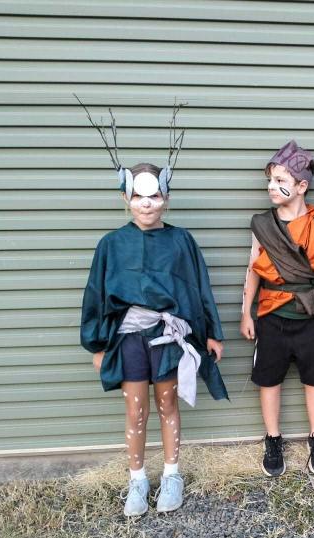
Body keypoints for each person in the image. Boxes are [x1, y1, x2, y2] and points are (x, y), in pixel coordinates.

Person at [79, 101, 227, 516]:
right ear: (126, 198)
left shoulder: (181, 241)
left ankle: (172, 475)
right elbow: (95, 295)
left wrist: (212, 333)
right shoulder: (111, 244)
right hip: (128, 338)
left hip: (168, 337)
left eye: (154, 195)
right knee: (135, 408)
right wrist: (97, 344)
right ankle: (137, 481)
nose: (146, 204)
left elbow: (199, 288)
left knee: (167, 403)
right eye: (138, 197)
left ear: (166, 198)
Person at [240, 140, 314, 477]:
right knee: (268, 379)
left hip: (311, 315)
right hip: (271, 314)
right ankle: (273, 439)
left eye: (280, 181)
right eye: (270, 180)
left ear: (301, 186)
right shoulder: (263, 225)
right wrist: (246, 313)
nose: (272, 187)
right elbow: (253, 269)